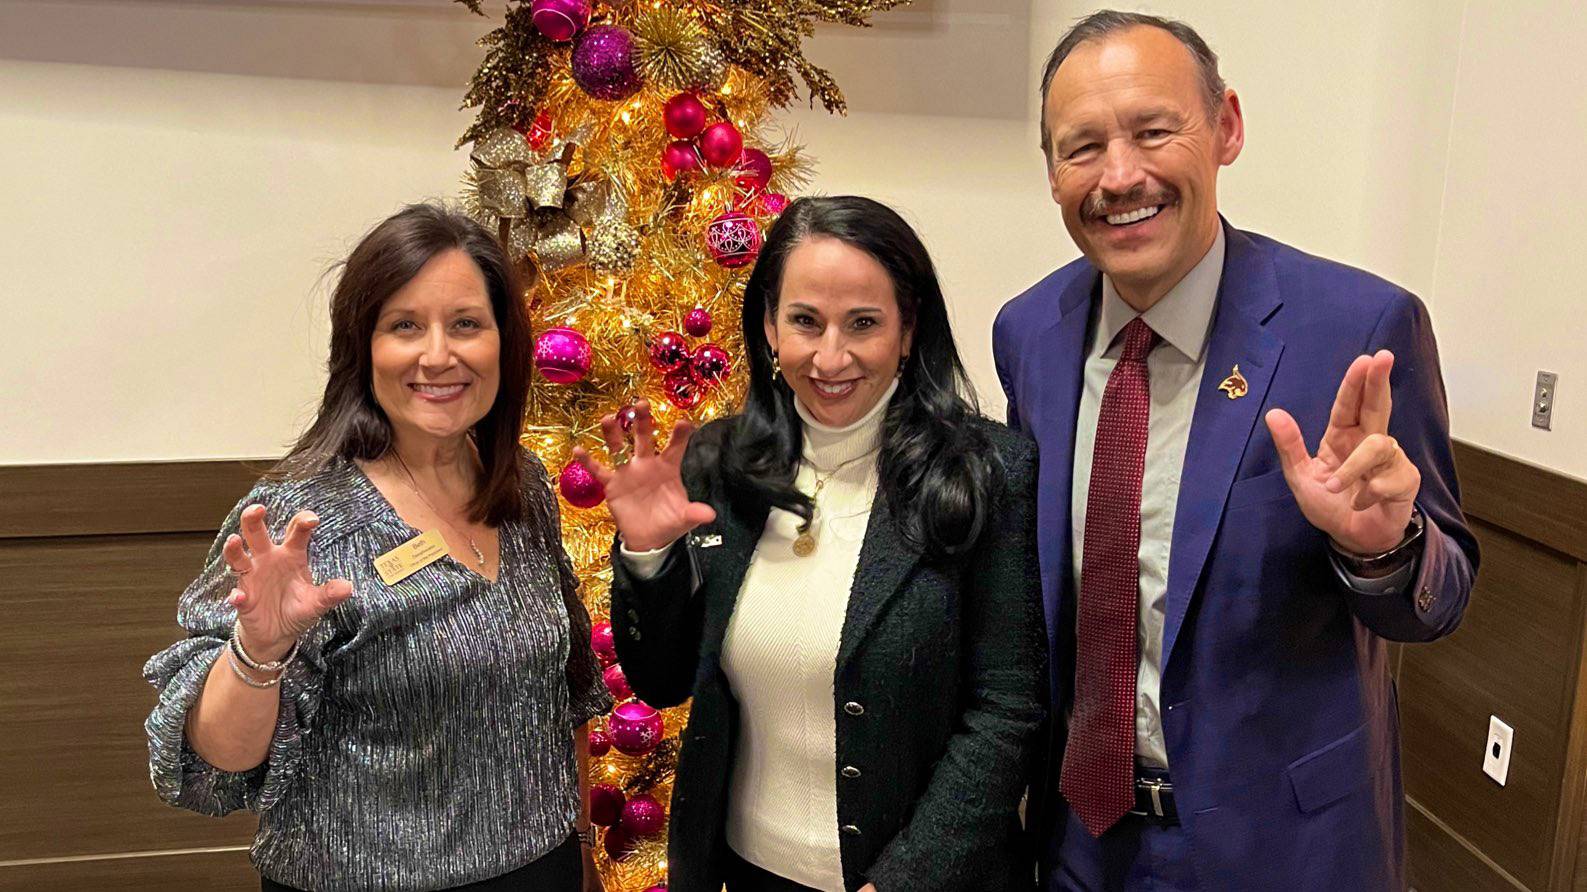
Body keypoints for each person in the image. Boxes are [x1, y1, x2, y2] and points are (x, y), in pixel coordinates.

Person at [994, 11, 1480, 891]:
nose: (1119, 176)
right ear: (1051, 172)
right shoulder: (1028, 332)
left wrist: (1381, 550)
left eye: (1152, 131)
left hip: (1281, 848)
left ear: (1224, 129)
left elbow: (1438, 602)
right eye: (1081, 147)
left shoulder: (1356, 328)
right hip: (1077, 846)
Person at [572, 195, 1046, 891]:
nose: (830, 356)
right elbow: (664, 680)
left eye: (863, 324)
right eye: (804, 321)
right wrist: (649, 558)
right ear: (768, 326)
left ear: (908, 329)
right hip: (744, 871)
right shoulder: (717, 462)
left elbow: (1007, 710)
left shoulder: (987, 471)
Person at [143, 203, 613, 892]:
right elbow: (216, 766)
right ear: (361, 347)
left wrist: (577, 847)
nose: (437, 355)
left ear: (502, 343)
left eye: (466, 325)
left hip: (538, 869)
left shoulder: (521, 487)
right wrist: (257, 654)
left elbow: (563, 696)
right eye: (404, 326)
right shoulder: (300, 519)